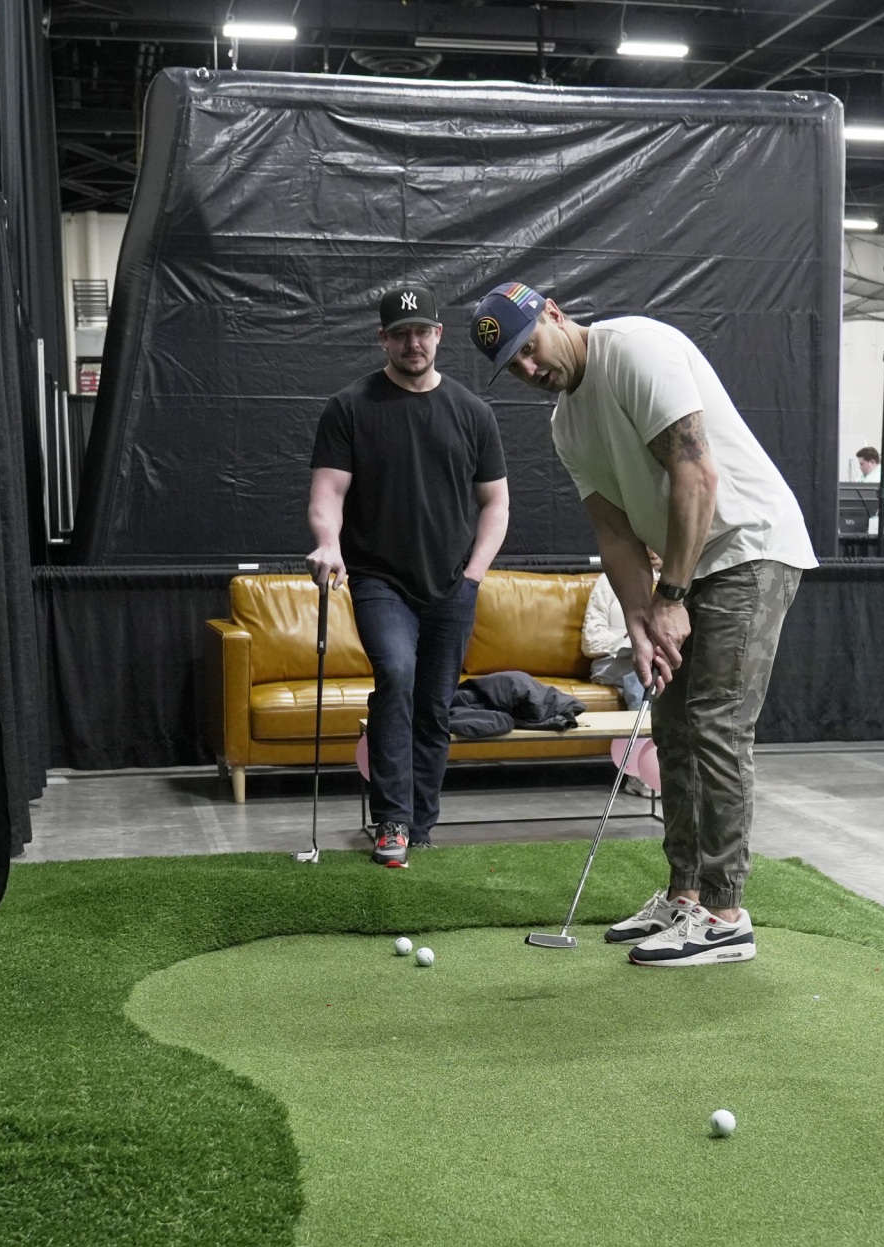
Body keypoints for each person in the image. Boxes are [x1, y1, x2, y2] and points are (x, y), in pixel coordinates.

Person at [483, 280, 816, 966]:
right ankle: (685, 895)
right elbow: (615, 535)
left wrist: (670, 598)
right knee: (672, 726)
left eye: (529, 347)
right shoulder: (565, 425)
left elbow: (697, 474)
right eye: (513, 365)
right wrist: (640, 625)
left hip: (748, 546)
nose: (529, 368)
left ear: (554, 314)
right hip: (686, 565)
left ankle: (725, 916)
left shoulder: (635, 348)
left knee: (715, 723)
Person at [308, 283, 511, 869]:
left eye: (422, 331)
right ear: (383, 340)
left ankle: (421, 824)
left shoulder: (472, 413)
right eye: (400, 334)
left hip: (453, 583)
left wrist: (474, 575)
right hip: (379, 580)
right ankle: (392, 820)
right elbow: (328, 492)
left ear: (439, 335)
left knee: (435, 705)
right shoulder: (350, 407)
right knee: (396, 675)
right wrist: (328, 543)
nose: (412, 343)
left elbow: (496, 502)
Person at [581, 544, 657, 710]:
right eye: (647, 547)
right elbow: (590, 643)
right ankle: (644, 725)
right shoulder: (610, 581)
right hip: (615, 662)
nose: (653, 553)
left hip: (661, 660)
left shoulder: (679, 587)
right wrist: (632, 636)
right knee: (642, 671)